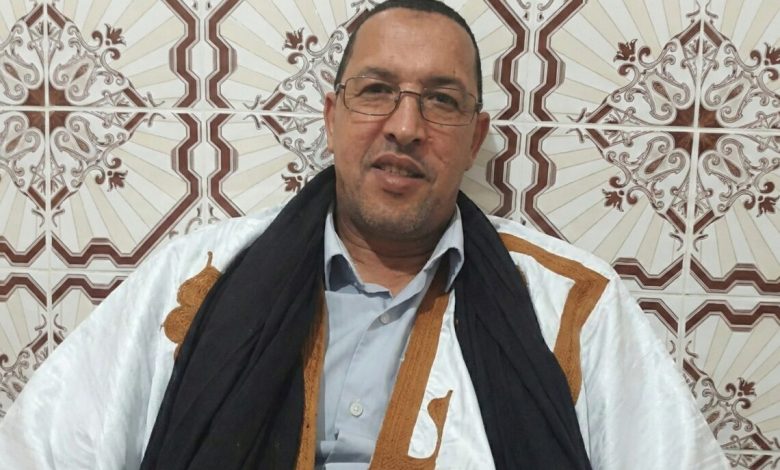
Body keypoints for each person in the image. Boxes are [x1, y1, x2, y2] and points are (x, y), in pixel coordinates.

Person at [0, 1, 728, 469]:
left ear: (475, 137)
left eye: (440, 100)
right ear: (332, 116)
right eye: (377, 90)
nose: (405, 127)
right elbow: (44, 448)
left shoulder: (572, 307)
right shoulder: (198, 277)